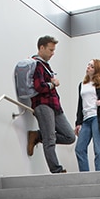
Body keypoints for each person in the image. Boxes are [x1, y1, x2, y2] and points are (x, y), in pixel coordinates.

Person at [27, 35, 75, 174]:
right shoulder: (36, 64)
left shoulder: (45, 65)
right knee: (50, 139)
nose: (53, 53)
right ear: (41, 48)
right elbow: (39, 87)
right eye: (50, 50)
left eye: (53, 50)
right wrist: (53, 84)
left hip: (54, 105)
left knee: (70, 136)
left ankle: (37, 135)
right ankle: (56, 170)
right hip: (42, 104)